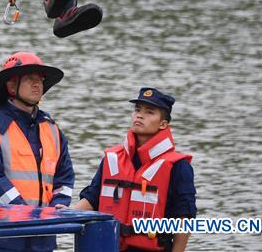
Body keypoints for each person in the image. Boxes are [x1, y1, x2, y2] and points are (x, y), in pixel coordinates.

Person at [68, 88, 196, 252]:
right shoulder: (112, 158)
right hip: (109, 246)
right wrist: (68, 213)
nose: (140, 115)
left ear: (163, 124)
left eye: (149, 112)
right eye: (137, 110)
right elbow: (92, 199)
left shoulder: (178, 166)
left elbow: (184, 218)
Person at [0, 51, 75, 252]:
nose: (37, 84)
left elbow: (65, 176)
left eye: (40, 80)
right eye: (30, 79)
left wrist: (59, 205)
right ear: (11, 86)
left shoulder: (52, 129)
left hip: (42, 238)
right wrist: (24, 212)